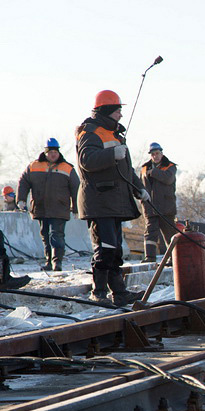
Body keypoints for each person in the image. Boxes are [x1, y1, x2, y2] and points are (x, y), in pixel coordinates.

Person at [76, 89, 148, 306]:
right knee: (106, 247)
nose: (121, 115)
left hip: (114, 202)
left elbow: (127, 170)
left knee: (115, 249)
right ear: (107, 110)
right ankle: (98, 292)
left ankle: (119, 293)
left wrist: (139, 189)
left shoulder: (113, 135)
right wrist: (111, 155)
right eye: (118, 110)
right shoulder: (90, 133)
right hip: (100, 201)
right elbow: (86, 160)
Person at [16, 138, 80, 271]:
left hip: (59, 209)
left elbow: (76, 188)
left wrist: (76, 208)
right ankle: (48, 262)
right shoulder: (34, 166)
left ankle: (57, 262)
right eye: (50, 152)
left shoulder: (67, 168)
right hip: (40, 208)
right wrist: (21, 199)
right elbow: (23, 182)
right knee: (45, 235)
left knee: (56, 234)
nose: (53, 154)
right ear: (45, 153)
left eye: (55, 152)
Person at [139, 142, 178, 262]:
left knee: (169, 235)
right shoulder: (144, 168)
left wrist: (154, 172)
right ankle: (149, 258)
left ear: (161, 153)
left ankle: (173, 259)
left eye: (157, 153)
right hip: (150, 207)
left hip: (166, 208)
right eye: (153, 154)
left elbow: (168, 179)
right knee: (150, 234)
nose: (155, 156)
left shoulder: (170, 166)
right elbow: (141, 186)